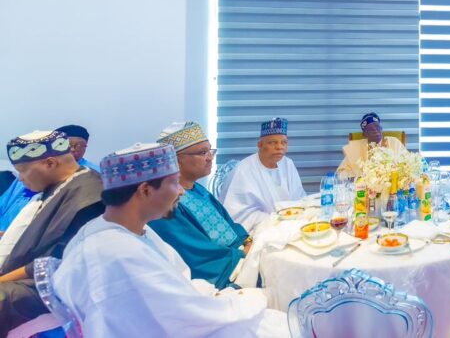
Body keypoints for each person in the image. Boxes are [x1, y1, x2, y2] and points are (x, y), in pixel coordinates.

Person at [53, 143, 289, 337]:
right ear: (145, 190)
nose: (182, 191)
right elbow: (188, 316)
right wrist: (252, 299)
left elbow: (180, 283)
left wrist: (227, 296)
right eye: (175, 183)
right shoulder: (117, 252)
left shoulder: (128, 230)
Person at [0, 130, 104, 336]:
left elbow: (58, 260)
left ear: (49, 163)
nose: (19, 179)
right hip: (27, 274)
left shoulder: (91, 193)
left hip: (50, 285)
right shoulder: (58, 186)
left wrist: (2, 280)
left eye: (22, 170)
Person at [149, 122, 251, 289]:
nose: (210, 157)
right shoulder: (165, 204)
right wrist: (242, 255)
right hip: (221, 273)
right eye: (203, 152)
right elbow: (197, 255)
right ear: (177, 160)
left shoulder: (198, 189)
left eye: (210, 150)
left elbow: (228, 224)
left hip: (237, 255)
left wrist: (247, 241)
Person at [224, 118, 306, 231]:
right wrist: (276, 221)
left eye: (284, 142)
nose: (280, 147)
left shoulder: (288, 163)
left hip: (290, 224)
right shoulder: (243, 170)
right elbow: (238, 214)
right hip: (259, 229)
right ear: (260, 144)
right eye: (273, 142)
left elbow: (299, 198)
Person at [337, 112, 407, 178]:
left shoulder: (394, 142)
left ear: (381, 128)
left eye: (377, 127)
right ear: (364, 134)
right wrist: (361, 176)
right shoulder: (356, 147)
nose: (375, 131)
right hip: (363, 188)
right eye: (370, 129)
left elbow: (407, 165)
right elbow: (341, 173)